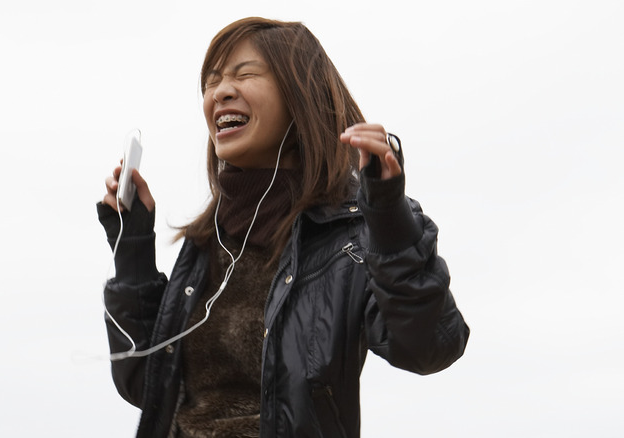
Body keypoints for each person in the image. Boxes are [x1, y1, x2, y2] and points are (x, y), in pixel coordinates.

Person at [97, 17, 469, 438]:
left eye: (245, 74)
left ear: (299, 96)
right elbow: (143, 384)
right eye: (212, 81)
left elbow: (431, 346)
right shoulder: (208, 243)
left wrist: (389, 216)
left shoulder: (354, 239)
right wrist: (132, 250)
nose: (220, 92)